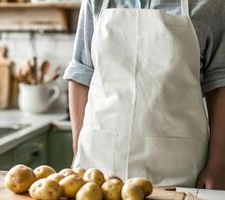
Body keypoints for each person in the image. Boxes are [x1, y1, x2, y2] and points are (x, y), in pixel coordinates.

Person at [63, 0, 225, 189]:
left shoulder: (210, 4)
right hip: (98, 167)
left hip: (178, 171)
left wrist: (218, 165)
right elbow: (81, 73)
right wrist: (78, 150)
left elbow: (220, 83)